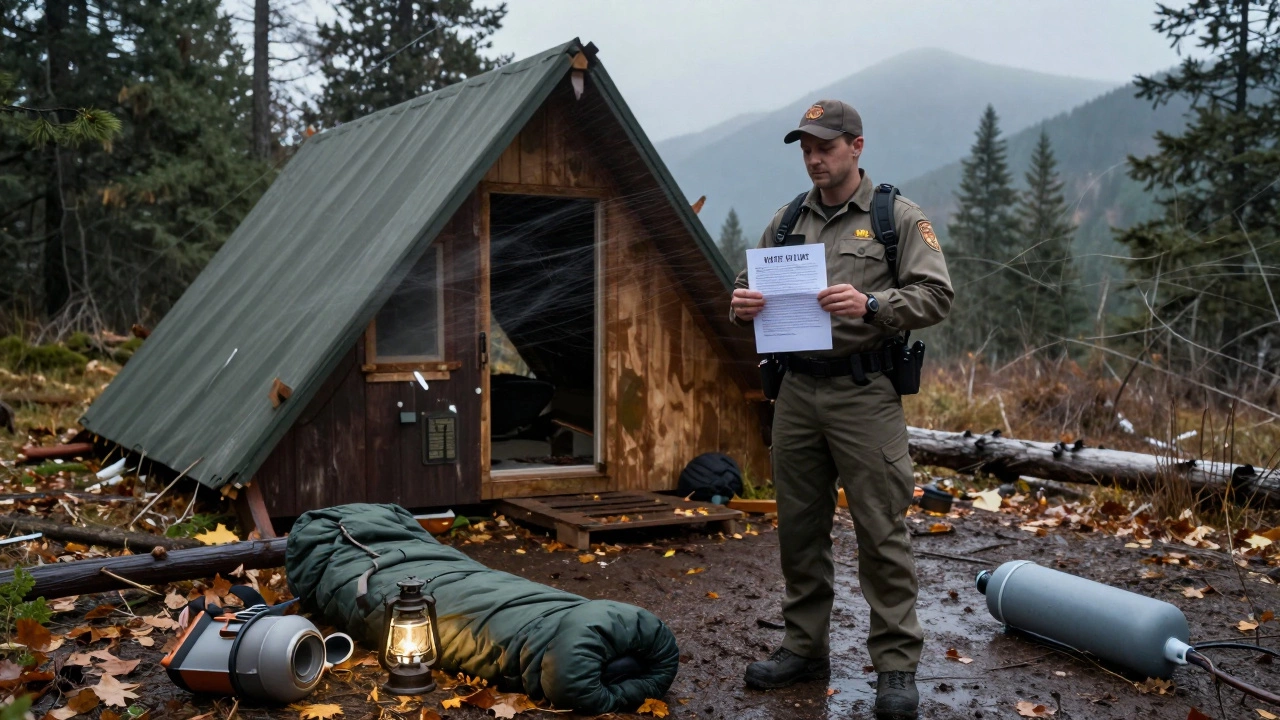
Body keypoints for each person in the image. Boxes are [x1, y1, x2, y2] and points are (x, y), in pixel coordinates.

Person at [729, 99, 953, 720]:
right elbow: (753, 295)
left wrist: (873, 306)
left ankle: (896, 667)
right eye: (805, 148)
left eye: (824, 147)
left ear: (856, 147)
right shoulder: (785, 221)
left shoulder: (894, 218)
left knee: (881, 530)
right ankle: (804, 649)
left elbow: (937, 294)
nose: (813, 158)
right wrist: (740, 306)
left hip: (864, 393)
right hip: (796, 391)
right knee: (799, 530)